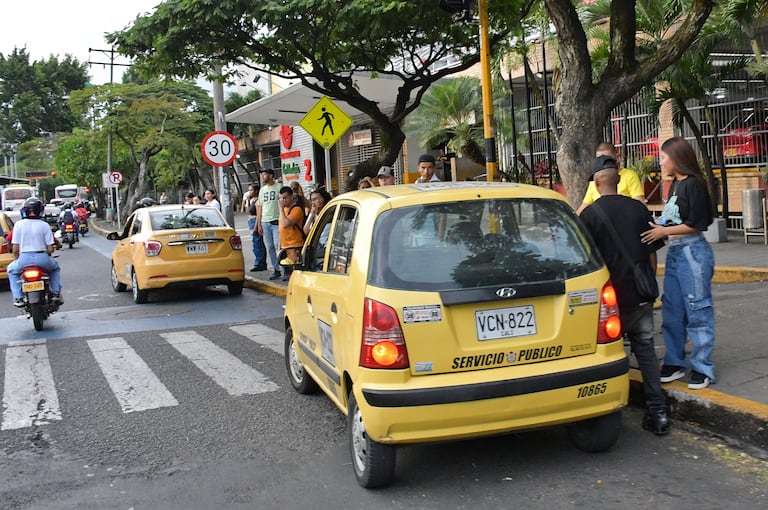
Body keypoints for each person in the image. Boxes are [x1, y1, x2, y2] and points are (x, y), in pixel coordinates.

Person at [580, 155, 669, 435]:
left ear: (596, 183)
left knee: (608, 355)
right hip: (640, 293)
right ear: (618, 180)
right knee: (645, 351)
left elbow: (586, 262)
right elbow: (652, 252)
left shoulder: (589, 216)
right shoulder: (639, 209)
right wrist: (648, 283)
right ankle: (658, 412)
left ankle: (607, 411)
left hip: (609, 300)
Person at [641, 137, 716, 390]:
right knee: (672, 310)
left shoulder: (694, 184)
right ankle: (674, 362)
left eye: (664, 157)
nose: (661, 162)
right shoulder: (675, 184)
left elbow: (697, 223)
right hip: (675, 252)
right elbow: (673, 219)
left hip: (692, 252)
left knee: (697, 309)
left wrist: (663, 232)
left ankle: (702, 367)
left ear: (677, 158)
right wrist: (657, 227)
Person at [8, 197, 63, 307]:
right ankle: (56, 293)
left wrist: (17, 259)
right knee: (55, 268)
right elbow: (50, 249)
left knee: (11, 270)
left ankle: (18, 298)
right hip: (42, 258)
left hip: (23, 259)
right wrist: (48, 252)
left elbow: (15, 249)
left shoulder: (18, 225)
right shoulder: (44, 225)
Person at [576, 143, 645, 215]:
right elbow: (583, 206)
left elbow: (640, 204)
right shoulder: (593, 180)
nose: (603, 162)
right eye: (599, 159)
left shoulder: (630, 176)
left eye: (607, 159)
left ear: (617, 156)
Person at [257, 168, 283, 280]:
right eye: (262, 174)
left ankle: (284, 268)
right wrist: (259, 223)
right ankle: (276, 269)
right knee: (270, 246)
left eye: (265, 174)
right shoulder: (262, 190)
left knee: (278, 245)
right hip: (265, 221)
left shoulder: (279, 187)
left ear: (271, 175)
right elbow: (260, 207)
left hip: (276, 220)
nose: (263, 176)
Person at [277, 186, 306, 281]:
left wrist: (280, 209)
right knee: (288, 274)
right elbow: (281, 228)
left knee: (296, 273)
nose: (283, 201)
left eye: (285, 198)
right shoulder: (284, 210)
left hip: (295, 245)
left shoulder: (296, 209)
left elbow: (286, 224)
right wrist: (279, 245)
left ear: (291, 197)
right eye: (281, 198)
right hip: (285, 246)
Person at [244, 184, 267, 272]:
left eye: (251, 190)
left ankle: (260, 263)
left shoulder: (258, 201)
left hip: (254, 222)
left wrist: (256, 226)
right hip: (251, 221)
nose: (250, 192)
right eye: (249, 190)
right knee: (255, 243)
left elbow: (258, 215)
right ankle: (259, 262)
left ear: (256, 191)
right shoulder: (252, 200)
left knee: (257, 243)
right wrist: (248, 201)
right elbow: (248, 210)